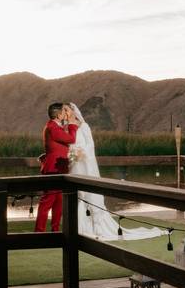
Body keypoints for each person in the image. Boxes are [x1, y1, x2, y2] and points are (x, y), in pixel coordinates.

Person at [67, 102, 163, 240]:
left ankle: (96, 227)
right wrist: (71, 154)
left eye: (66, 109)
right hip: (74, 165)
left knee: (88, 194)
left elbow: (90, 146)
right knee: (76, 194)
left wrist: (81, 153)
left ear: (73, 110)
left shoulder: (83, 126)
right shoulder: (67, 128)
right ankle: (75, 225)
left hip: (85, 165)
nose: (65, 112)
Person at [34, 102, 78, 232]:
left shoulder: (56, 126)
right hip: (53, 169)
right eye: (64, 111)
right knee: (47, 202)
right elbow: (71, 139)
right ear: (59, 115)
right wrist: (72, 124)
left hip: (60, 169)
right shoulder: (52, 127)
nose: (66, 113)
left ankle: (55, 230)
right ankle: (39, 232)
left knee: (58, 202)